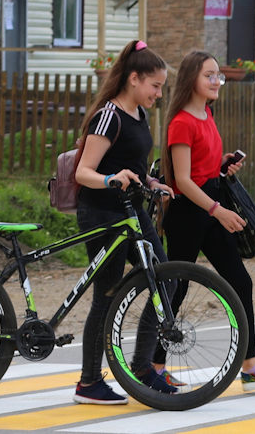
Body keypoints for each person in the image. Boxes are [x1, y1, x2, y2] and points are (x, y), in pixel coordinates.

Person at [161, 50, 255, 392]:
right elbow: (183, 181)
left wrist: (222, 165)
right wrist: (217, 210)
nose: (217, 81)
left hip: (210, 206)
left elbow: (201, 169)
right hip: (190, 213)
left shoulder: (206, 114)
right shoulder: (181, 122)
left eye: (218, 75)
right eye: (209, 75)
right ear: (191, 79)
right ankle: (153, 367)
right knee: (175, 289)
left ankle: (252, 367)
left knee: (239, 282)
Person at [72, 40, 186, 405]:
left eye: (162, 87)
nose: (159, 94)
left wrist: (150, 181)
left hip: (132, 212)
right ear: (134, 79)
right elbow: (83, 172)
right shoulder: (109, 115)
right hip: (102, 212)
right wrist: (110, 179)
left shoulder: (139, 114)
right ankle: (89, 383)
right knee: (106, 296)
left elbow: (131, 166)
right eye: (155, 86)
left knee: (165, 278)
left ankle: (142, 368)